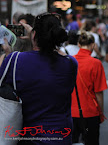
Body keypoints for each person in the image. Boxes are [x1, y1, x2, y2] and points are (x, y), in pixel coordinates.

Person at [0, 12, 77, 144]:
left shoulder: (15, 59)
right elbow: (57, 54)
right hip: (61, 138)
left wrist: (8, 52)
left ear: (34, 35)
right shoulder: (70, 63)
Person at [71, 31, 107, 145]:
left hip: (71, 112)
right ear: (93, 45)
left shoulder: (70, 61)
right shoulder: (95, 63)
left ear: (79, 45)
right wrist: (101, 112)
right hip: (90, 113)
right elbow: (99, 93)